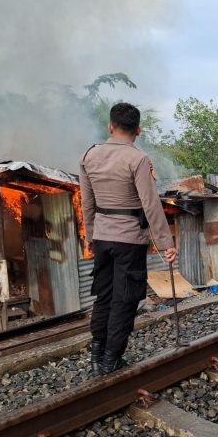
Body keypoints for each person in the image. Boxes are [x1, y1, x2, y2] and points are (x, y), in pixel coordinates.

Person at [79, 102, 177, 374]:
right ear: (138, 130)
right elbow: (151, 204)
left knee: (104, 295)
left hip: (102, 238)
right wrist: (166, 244)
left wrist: (90, 234)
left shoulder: (88, 156)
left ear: (110, 127)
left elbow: (87, 202)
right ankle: (111, 359)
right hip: (130, 239)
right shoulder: (138, 159)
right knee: (126, 298)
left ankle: (97, 356)